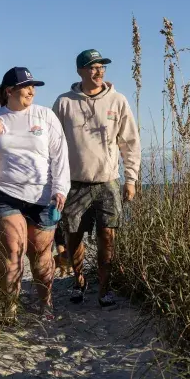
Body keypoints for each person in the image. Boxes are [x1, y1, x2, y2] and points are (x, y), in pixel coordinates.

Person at [0, 66, 70, 320]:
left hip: (42, 196)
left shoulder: (45, 116)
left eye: (33, 86)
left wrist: (60, 189)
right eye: (26, 86)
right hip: (4, 194)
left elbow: (60, 156)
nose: (31, 90)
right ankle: (9, 308)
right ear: (9, 91)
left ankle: (45, 303)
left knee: (40, 253)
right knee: (12, 250)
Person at [52, 49, 141, 307]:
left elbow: (130, 143)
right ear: (80, 70)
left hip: (107, 182)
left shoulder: (118, 101)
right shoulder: (64, 103)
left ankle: (105, 289)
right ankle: (79, 281)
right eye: (92, 66)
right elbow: (52, 145)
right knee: (74, 236)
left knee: (107, 236)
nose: (99, 70)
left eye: (101, 66)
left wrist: (131, 179)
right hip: (74, 183)